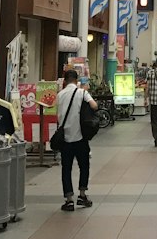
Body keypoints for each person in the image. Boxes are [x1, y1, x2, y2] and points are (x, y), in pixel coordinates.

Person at [55, 69, 97, 212]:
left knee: (66, 168)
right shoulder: (82, 93)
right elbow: (94, 105)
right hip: (80, 137)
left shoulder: (60, 95)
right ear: (76, 80)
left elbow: (58, 114)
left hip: (65, 138)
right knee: (84, 166)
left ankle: (69, 200)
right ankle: (82, 195)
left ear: (65, 81)